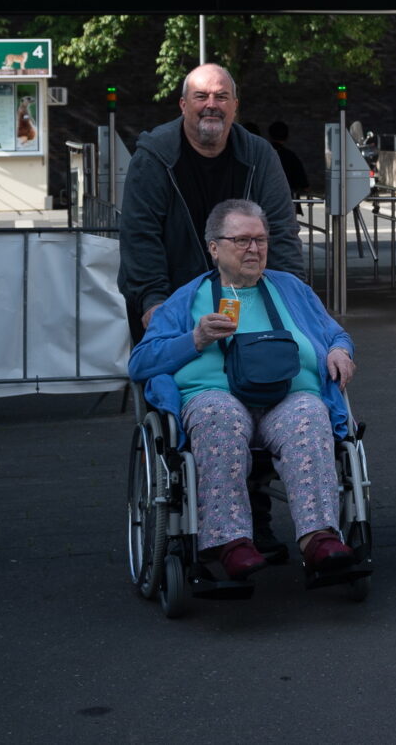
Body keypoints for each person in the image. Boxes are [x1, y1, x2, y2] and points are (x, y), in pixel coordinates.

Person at [127, 198, 358, 581]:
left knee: (310, 412)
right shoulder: (187, 298)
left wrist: (339, 350)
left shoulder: (291, 290)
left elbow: (335, 332)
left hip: (286, 399)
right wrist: (195, 339)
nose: (254, 249)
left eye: (261, 240)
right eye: (242, 240)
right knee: (218, 414)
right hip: (217, 400)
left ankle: (319, 537)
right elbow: (141, 362)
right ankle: (229, 541)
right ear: (214, 248)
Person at [117, 64, 303, 340]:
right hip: (174, 304)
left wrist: (293, 299)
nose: (211, 105)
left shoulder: (259, 157)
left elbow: (281, 232)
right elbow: (140, 236)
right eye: (201, 96)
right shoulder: (155, 157)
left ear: (235, 106)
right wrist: (153, 301)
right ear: (183, 104)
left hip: (246, 301)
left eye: (221, 96)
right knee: (181, 380)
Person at [268, 120, 311, 195]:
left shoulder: (264, 154)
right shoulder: (291, 156)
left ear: (270, 135)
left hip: (267, 199)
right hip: (289, 199)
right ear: (286, 136)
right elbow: (304, 185)